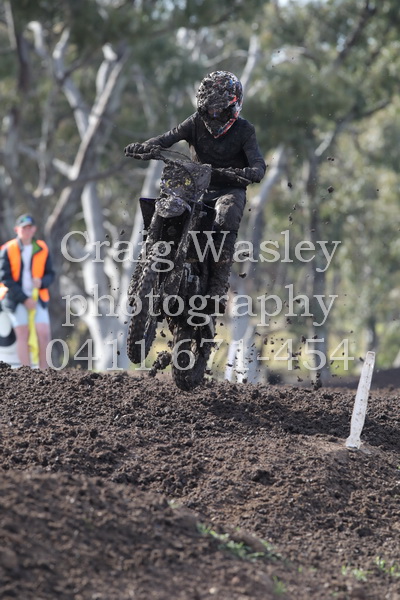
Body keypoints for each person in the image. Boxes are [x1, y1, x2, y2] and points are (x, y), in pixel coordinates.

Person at [125, 70, 266, 312]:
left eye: (220, 110)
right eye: (209, 109)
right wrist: (145, 147)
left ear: (234, 106)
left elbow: (258, 164)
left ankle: (217, 287)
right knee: (166, 202)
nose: (214, 114)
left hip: (229, 188)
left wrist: (252, 172)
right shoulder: (194, 122)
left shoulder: (245, 130)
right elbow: (166, 138)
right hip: (196, 184)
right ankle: (144, 271)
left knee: (226, 215)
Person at [0, 214, 55, 368]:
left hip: (38, 298)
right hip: (15, 298)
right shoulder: (8, 249)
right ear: (17, 229)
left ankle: (45, 372)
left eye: (30, 228)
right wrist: (25, 299)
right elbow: (5, 279)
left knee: (44, 333)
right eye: (24, 228)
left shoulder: (42, 248)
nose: (27, 231)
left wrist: (42, 282)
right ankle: (27, 372)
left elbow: (51, 274)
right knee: (22, 332)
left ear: (34, 229)